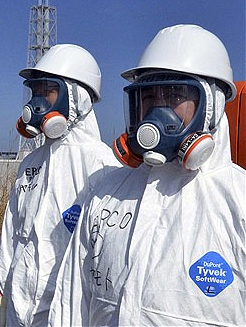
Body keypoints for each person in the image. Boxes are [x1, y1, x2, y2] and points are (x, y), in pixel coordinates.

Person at [49, 24, 246, 326]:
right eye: (149, 98)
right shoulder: (106, 195)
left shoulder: (239, 201)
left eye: (174, 95)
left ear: (212, 105)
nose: (157, 111)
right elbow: (71, 302)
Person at [0, 44, 121, 326]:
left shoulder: (101, 164)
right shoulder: (31, 162)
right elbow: (12, 232)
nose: (37, 101)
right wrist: (2, 295)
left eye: (47, 90)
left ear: (77, 98)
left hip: (65, 312)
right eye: (34, 91)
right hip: (18, 305)